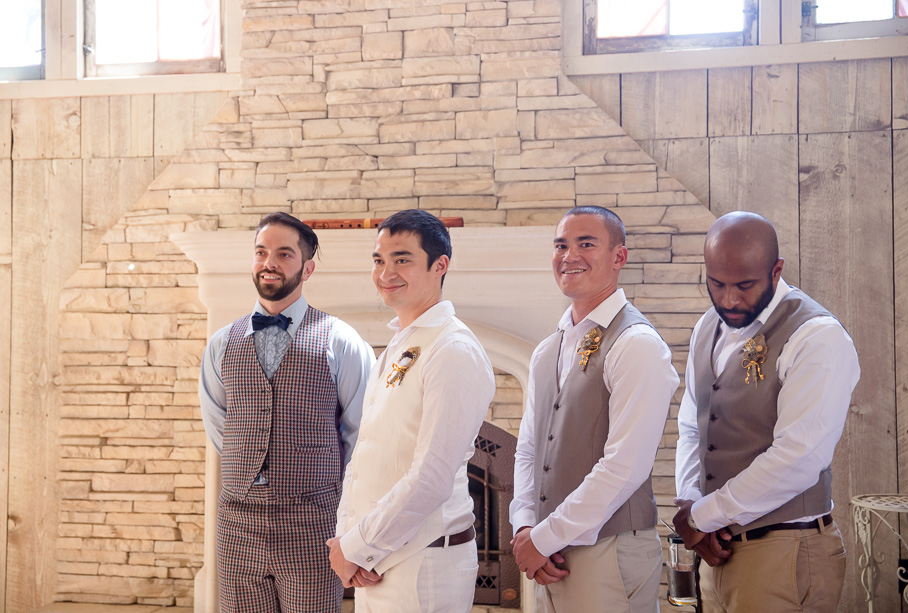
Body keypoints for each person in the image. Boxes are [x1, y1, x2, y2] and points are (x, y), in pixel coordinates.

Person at [673, 211, 860, 612]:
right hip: (717, 551)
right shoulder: (708, 325)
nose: (729, 299)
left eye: (744, 285)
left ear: (776, 271)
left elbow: (799, 458)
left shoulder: (817, 337)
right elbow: (693, 424)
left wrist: (703, 516)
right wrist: (692, 502)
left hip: (786, 552)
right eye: (716, 284)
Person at [199, 212, 375, 613]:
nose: (269, 263)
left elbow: (361, 437)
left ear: (307, 267)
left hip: (312, 524)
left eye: (284, 254)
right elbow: (221, 427)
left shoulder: (342, 341)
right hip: (238, 522)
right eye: (261, 252)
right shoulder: (222, 343)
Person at [510, 205, 680, 613]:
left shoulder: (636, 343)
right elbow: (529, 449)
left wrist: (544, 538)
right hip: (550, 552)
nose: (570, 256)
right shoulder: (547, 348)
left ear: (618, 257)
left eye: (586, 244)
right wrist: (525, 526)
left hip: (610, 551)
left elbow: (624, 467)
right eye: (561, 245)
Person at [327, 209, 495, 613]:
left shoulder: (452, 350)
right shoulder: (399, 346)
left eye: (402, 259)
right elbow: (367, 453)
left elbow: (431, 476)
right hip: (378, 561)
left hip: (424, 565)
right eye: (379, 260)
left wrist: (358, 546)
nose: (386, 272)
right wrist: (349, 541)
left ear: (440, 265)